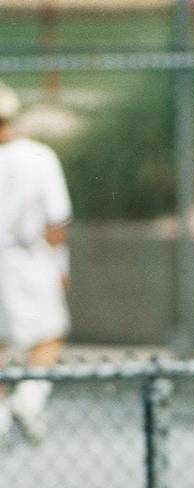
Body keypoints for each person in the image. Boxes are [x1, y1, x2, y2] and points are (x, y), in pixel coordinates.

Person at [0, 80, 72, 442]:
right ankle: (29, 397)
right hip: (27, 259)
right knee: (49, 334)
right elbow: (56, 222)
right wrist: (61, 266)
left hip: (17, 256)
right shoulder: (39, 157)